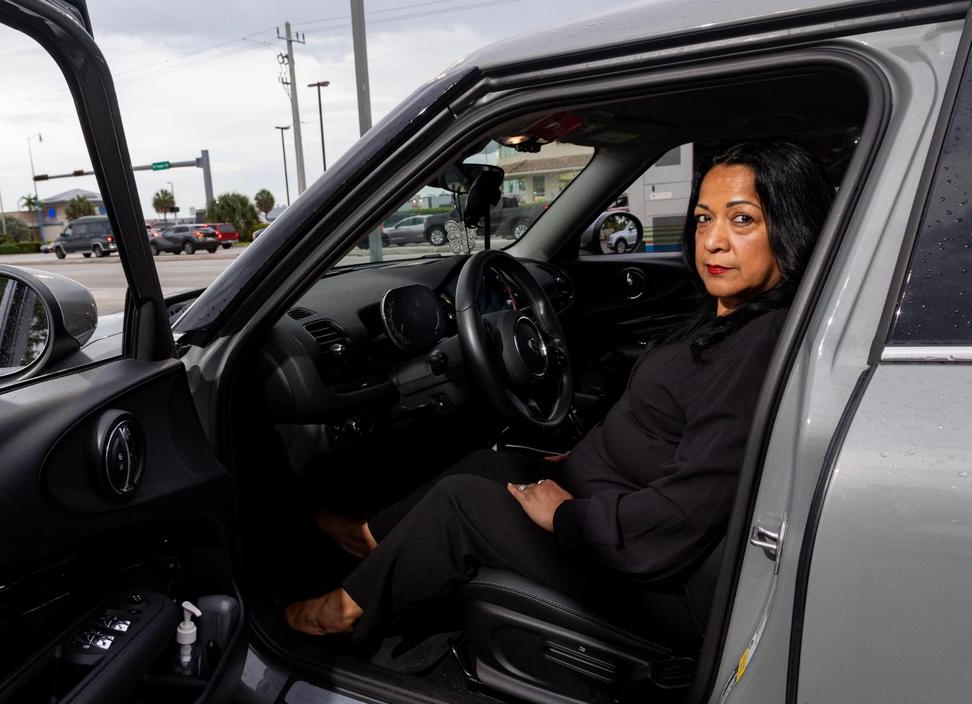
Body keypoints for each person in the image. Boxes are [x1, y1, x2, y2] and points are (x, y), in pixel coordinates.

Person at [286, 140, 835, 637]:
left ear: (789, 228)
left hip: (646, 573)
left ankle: (339, 614)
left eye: (743, 220)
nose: (713, 241)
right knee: (487, 463)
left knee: (460, 505)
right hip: (609, 498)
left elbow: (680, 517)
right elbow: (671, 429)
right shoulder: (728, 319)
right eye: (703, 218)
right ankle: (368, 539)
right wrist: (583, 456)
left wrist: (566, 515)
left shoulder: (758, 346)